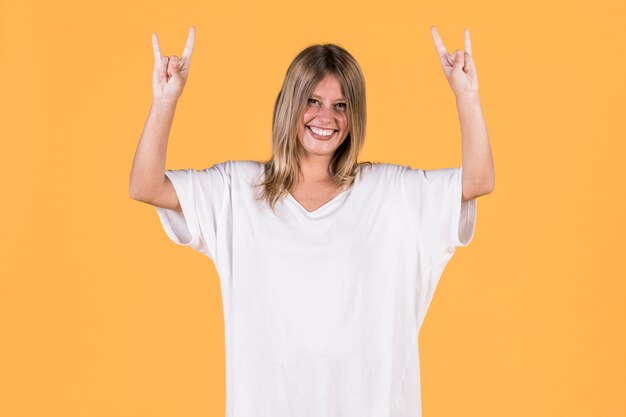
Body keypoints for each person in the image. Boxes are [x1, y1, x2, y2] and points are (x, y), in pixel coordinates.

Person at [130, 25, 494, 417]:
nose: (326, 117)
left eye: (341, 105)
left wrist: (466, 95)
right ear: (290, 104)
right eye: (313, 100)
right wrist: (165, 101)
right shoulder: (237, 191)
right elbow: (146, 185)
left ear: (354, 116)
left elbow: (478, 180)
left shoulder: (391, 192)